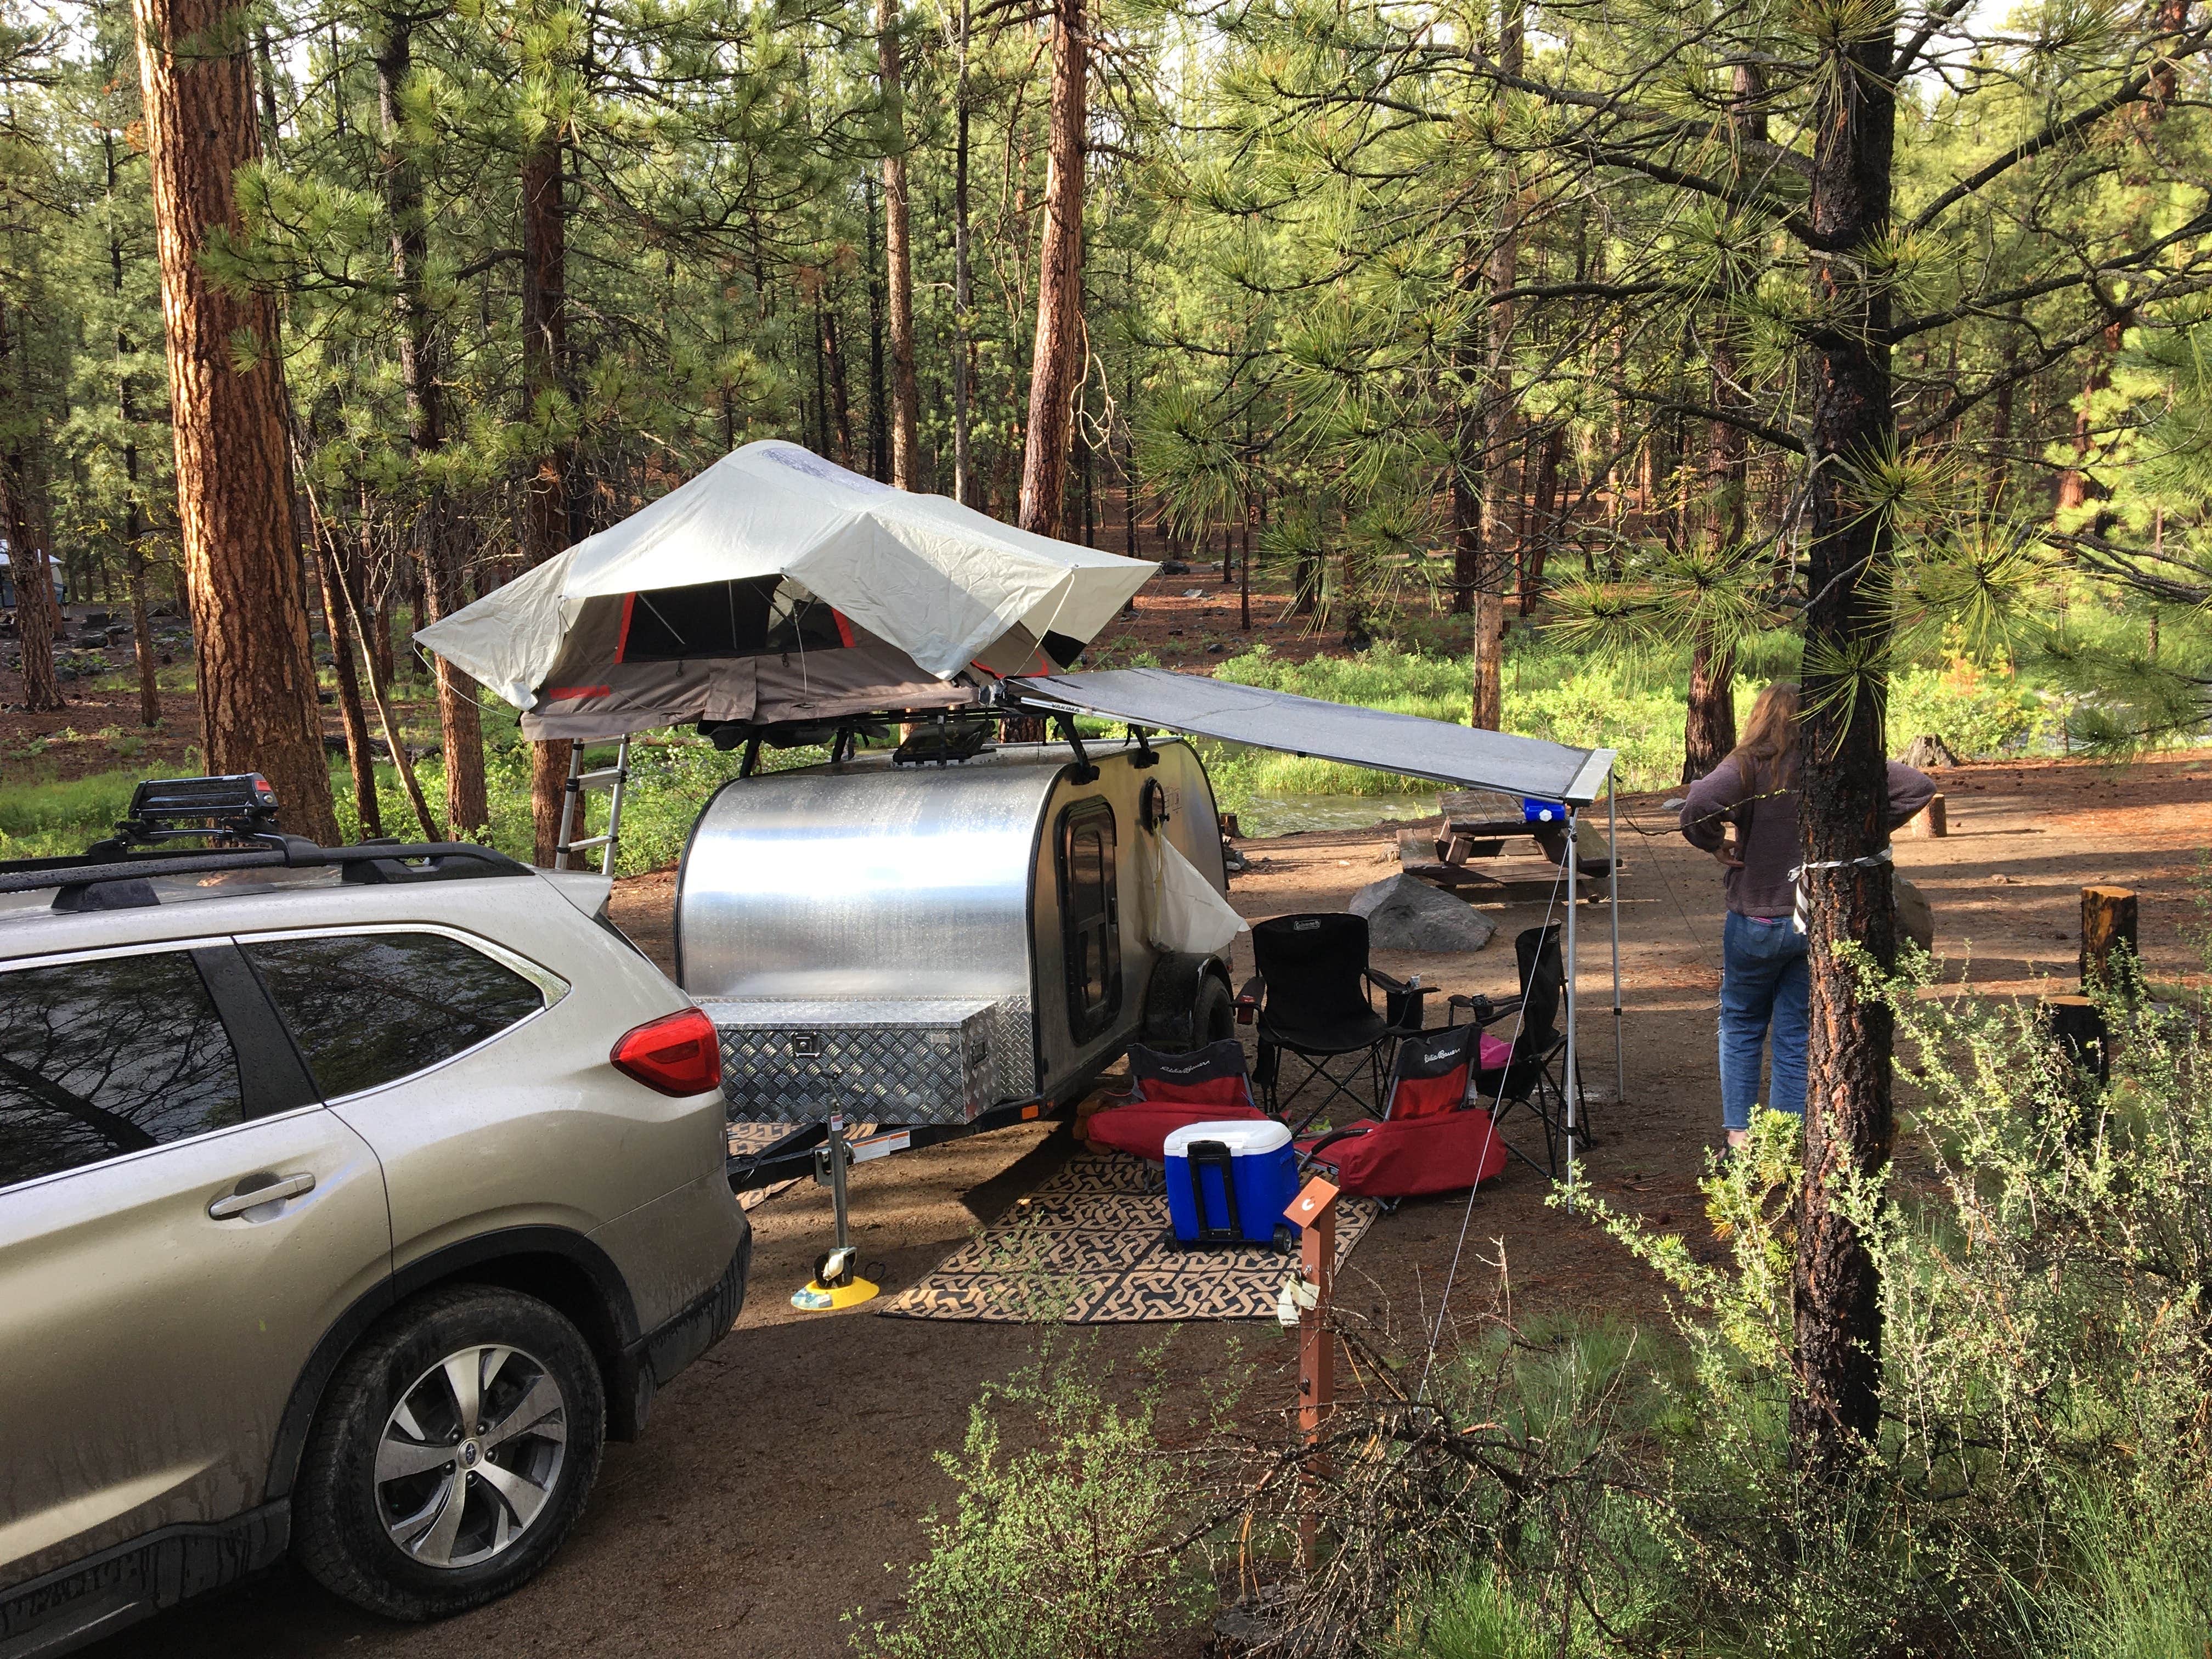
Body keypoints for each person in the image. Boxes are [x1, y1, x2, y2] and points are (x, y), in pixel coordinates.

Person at [1679, 682, 1935, 1149]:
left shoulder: (1746, 764)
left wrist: (1714, 843)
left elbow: (1697, 805)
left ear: (1759, 716)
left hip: (1755, 919)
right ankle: (1782, 1143)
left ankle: (1740, 1134)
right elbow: (1918, 787)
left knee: (1741, 1023)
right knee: (1796, 1032)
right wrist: (1861, 830)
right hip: (1813, 921)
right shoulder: (1834, 763)